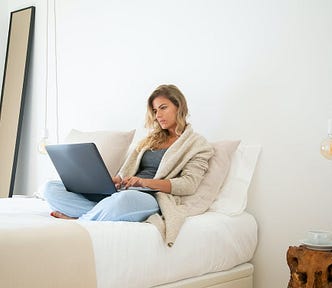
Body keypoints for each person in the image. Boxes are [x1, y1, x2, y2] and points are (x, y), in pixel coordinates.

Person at [43, 84, 214, 246]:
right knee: (51, 188)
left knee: (123, 200)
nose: (158, 115)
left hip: (150, 196)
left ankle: (79, 221)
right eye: (154, 110)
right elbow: (125, 173)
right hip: (121, 192)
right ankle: (99, 214)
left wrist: (144, 182)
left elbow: (188, 185)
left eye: (163, 107)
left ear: (179, 106)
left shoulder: (197, 145)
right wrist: (110, 180)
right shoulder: (149, 140)